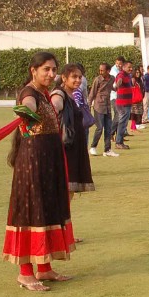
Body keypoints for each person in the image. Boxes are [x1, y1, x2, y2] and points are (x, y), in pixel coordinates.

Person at [5, 51, 77, 291]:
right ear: (33, 70)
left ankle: (44, 267)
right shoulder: (29, 94)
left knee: (46, 208)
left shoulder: (44, 94)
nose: (51, 74)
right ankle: (25, 273)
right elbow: (26, 106)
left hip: (49, 161)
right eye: (46, 69)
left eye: (54, 70)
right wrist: (27, 113)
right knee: (31, 210)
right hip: (33, 162)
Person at [53, 63, 95, 200]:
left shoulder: (74, 94)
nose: (78, 80)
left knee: (69, 192)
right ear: (64, 78)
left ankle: (65, 220)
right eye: (74, 77)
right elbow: (55, 104)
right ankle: (60, 220)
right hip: (66, 147)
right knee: (64, 190)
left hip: (76, 145)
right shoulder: (59, 93)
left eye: (80, 77)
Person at [88, 64, 117, 157]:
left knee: (108, 129)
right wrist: (88, 106)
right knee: (99, 128)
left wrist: (117, 88)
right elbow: (92, 93)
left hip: (108, 107)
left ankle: (107, 149)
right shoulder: (98, 80)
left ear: (108, 71)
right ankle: (93, 147)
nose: (100, 72)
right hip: (98, 106)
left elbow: (111, 87)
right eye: (100, 70)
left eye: (102, 70)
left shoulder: (112, 78)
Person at [112, 60, 134, 150]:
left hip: (127, 103)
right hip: (123, 103)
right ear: (124, 67)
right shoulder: (121, 74)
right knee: (122, 123)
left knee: (123, 123)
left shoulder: (127, 75)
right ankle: (118, 142)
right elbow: (119, 81)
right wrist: (117, 85)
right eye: (129, 67)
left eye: (131, 67)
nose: (131, 69)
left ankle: (119, 141)